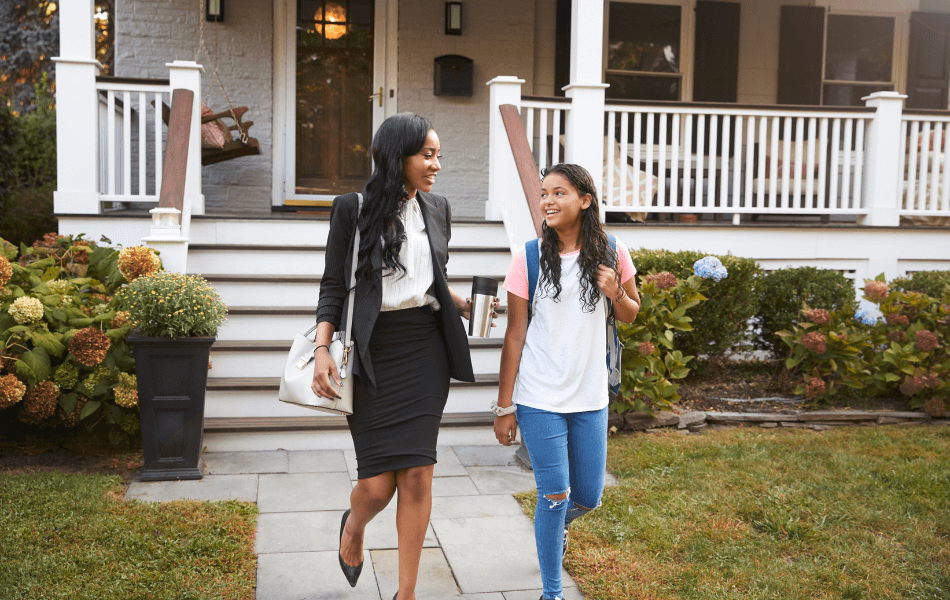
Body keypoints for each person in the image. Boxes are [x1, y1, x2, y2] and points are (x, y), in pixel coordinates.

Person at [312, 113, 489, 600]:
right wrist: (322, 347)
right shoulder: (352, 209)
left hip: (424, 349)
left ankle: (405, 594)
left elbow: (429, 278)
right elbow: (333, 284)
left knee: (416, 473)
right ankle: (353, 528)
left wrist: (463, 303)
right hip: (372, 350)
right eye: (427, 155)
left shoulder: (437, 207)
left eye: (438, 155)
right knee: (376, 487)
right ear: (398, 157)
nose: (436, 165)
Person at [493, 163, 640, 600]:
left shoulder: (614, 251)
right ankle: (552, 592)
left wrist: (616, 291)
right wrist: (505, 407)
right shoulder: (529, 257)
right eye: (544, 194)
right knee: (554, 494)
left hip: (589, 396)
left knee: (588, 497)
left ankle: (554, 529)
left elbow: (631, 313)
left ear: (585, 200)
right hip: (539, 396)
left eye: (559, 192)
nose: (548, 201)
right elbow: (515, 333)